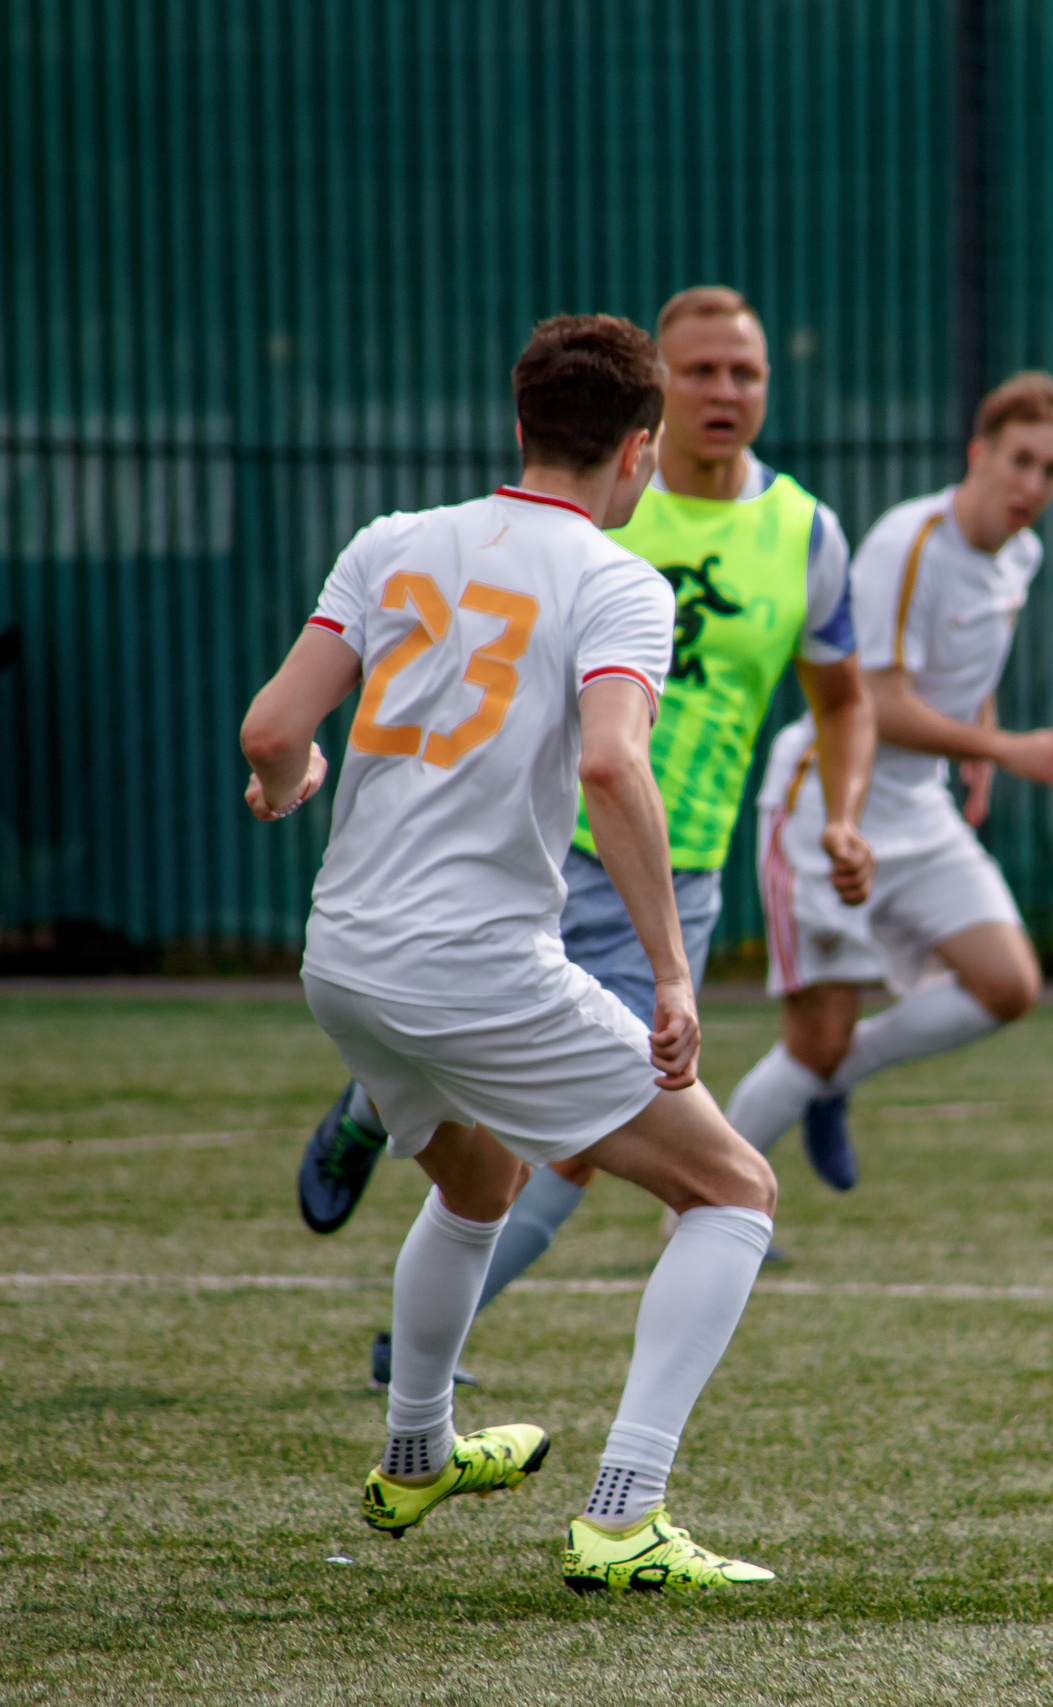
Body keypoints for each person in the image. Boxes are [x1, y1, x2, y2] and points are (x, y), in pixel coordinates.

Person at [239, 313, 776, 1591]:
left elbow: (272, 728)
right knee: (734, 1191)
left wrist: (290, 780)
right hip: (475, 967)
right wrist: (674, 973)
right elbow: (609, 762)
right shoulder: (616, 581)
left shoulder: (391, 541)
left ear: (520, 427)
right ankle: (624, 1513)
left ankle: (417, 1453)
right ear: (638, 452)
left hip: (346, 959)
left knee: (477, 1186)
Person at [294, 286, 876, 1384]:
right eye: (701, 370)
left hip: (675, 864)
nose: (725, 392)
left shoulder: (803, 531)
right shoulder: (602, 502)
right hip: (529, 851)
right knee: (663, 1157)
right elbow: (592, 744)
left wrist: (843, 815)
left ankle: (408, 1350)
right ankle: (378, 1124)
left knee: (568, 1151)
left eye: (745, 374)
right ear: (646, 423)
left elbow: (843, 696)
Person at [720, 373, 1053, 1169]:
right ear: (978, 453)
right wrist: (1004, 749)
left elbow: (969, 663)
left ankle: (837, 1076)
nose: (1034, 485)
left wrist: (977, 743)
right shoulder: (908, 542)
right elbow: (875, 702)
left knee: (1008, 984)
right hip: (826, 807)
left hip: (917, 805)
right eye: (1021, 461)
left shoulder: (1022, 553)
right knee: (812, 1039)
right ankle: (700, 1209)